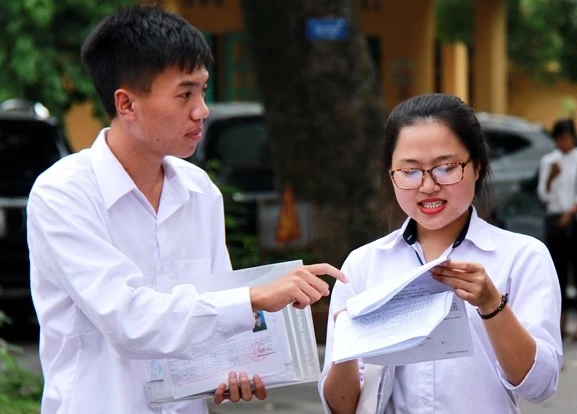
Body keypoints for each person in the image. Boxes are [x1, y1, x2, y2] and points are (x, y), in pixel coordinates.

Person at [26, 5, 346, 414]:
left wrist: (237, 366)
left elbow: (216, 321)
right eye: (184, 93)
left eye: (203, 90)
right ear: (127, 104)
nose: (202, 110)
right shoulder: (63, 194)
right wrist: (254, 298)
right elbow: (129, 320)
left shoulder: (199, 191)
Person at [318, 93, 562, 413]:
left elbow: (540, 386)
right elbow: (340, 407)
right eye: (410, 171)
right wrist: (346, 344)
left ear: (477, 166)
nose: (428, 185)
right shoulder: (364, 264)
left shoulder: (522, 256)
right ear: (391, 174)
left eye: (446, 167)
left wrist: (492, 305)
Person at [537, 118, 577, 341]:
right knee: (558, 273)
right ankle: (560, 325)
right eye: (558, 139)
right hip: (556, 220)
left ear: (572, 137)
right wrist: (551, 178)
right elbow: (543, 195)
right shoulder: (549, 161)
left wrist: (570, 214)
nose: (561, 143)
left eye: (564, 138)